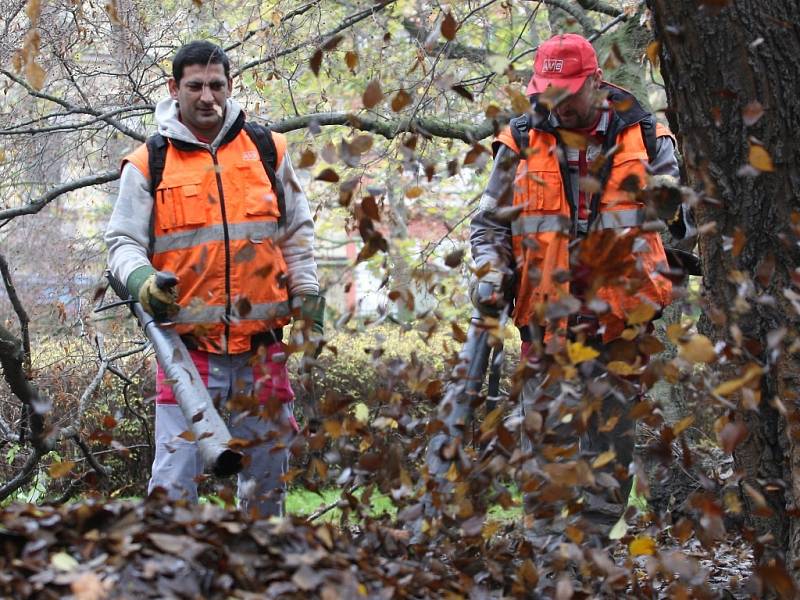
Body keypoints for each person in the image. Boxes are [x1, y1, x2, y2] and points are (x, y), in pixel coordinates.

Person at [470, 33, 683, 535]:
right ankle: (546, 562)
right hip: (546, 325)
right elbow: (489, 227)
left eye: (566, 93)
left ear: (593, 81)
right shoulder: (518, 141)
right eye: (547, 92)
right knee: (542, 453)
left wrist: (670, 207)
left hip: (618, 326)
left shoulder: (648, 137)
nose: (556, 104)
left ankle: (590, 559)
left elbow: (684, 220)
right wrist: (490, 270)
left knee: (609, 457)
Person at [105, 41, 324, 518]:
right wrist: (142, 280)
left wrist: (309, 299)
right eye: (195, 86)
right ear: (174, 89)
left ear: (230, 86)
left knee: (268, 481)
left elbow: (298, 235)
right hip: (186, 349)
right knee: (173, 481)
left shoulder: (267, 150)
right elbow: (121, 243)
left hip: (263, 348)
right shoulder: (149, 163)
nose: (207, 96)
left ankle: (259, 576)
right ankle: (168, 579)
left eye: (216, 85)